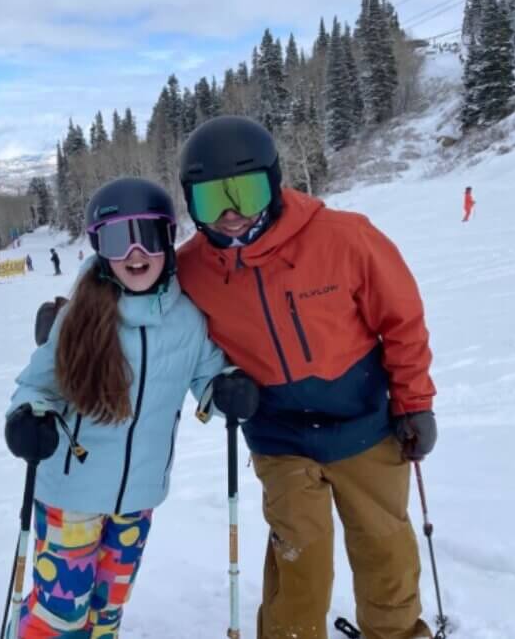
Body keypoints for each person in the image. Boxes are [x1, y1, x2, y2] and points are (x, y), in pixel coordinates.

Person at [176, 116, 438, 639]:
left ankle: (397, 632)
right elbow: (134, 296)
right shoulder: (191, 269)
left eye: (244, 193)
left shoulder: (343, 239)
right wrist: (71, 317)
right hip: (279, 434)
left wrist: (415, 403)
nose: (230, 214)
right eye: (211, 201)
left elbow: (401, 321)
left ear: (273, 184)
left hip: (364, 420)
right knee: (301, 556)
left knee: (384, 545)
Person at [3, 177, 258, 638]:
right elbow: (35, 385)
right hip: (71, 496)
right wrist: (27, 417)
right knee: (61, 615)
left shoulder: (186, 319)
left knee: (107, 610)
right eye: (119, 239)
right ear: (102, 249)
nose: (135, 252)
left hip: (138, 501)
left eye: (149, 235)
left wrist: (226, 390)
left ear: (168, 239)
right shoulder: (80, 315)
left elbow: (206, 377)